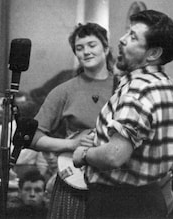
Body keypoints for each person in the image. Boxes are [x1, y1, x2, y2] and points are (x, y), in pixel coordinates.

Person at [72, 10, 173, 218]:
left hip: (118, 205)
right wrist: (99, 139)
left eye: (132, 37)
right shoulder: (169, 86)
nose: (122, 41)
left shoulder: (137, 90)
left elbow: (114, 156)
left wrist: (84, 155)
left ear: (153, 54)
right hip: (153, 198)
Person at [29, 22, 116, 219]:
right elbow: (32, 137)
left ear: (106, 48)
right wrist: (71, 143)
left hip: (114, 180)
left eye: (92, 45)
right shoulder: (64, 90)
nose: (86, 51)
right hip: (75, 181)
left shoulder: (124, 87)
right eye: (79, 48)